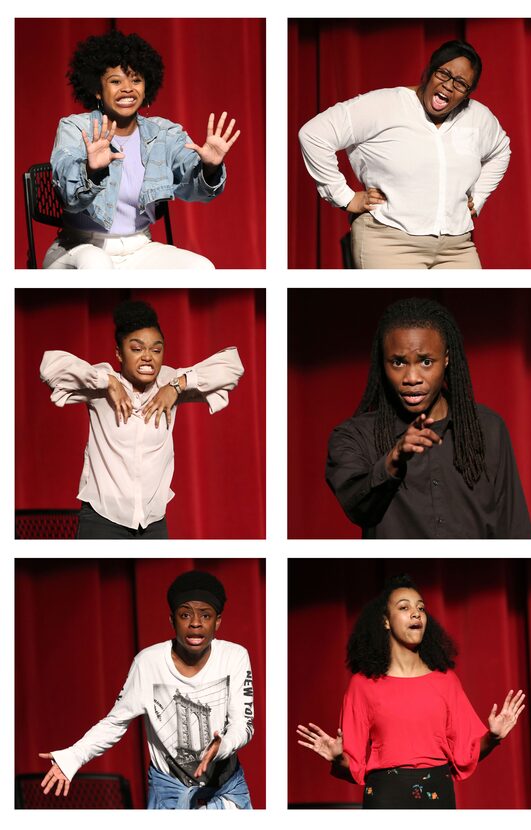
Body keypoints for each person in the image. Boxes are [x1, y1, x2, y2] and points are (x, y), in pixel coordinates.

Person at [296, 574, 525, 809]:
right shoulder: (362, 684)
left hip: (438, 796)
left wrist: (493, 737)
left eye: (421, 608)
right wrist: (338, 758)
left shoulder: (446, 681)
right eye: (404, 607)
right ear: (386, 621)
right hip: (385, 798)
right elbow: (352, 768)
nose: (416, 613)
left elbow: (467, 755)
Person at [39, 570, 255, 809]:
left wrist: (222, 746)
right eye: (185, 614)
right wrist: (72, 757)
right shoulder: (148, 663)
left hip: (225, 792)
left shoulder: (234, 657)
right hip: (168, 793)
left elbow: (243, 725)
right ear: (172, 620)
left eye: (205, 615)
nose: (195, 623)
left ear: (218, 621)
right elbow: (115, 723)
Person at [325, 296, 531, 538]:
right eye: (398, 362)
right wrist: (393, 460)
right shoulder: (354, 437)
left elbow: (515, 529)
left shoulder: (488, 428)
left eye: (425, 361)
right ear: (382, 363)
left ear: (446, 358)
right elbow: (359, 508)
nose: (412, 377)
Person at [39, 299, 244, 539]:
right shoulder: (100, 382)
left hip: (153, 525)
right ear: (119, 353)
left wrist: (177, 385)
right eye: (136, 349)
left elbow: (233, 366)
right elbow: (49, 367)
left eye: (156, 350)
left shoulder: (169, 380)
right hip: (102, 521)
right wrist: (108, 382)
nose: (148, 357)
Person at [298, 40, 510, 269]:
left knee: (472, 305)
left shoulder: (477, 117)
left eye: (461, 83)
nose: (449, 85)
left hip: (457, 246)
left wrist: (478, 198)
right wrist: (343, 197)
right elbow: (314, 134)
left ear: (468, 93)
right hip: (389, 241)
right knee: (403, 306)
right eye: (444, 74)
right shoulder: (384, 104)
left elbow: (501, 150)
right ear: (429, 71)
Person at [44, 29, 241, 269]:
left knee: (201, 268)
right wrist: (90, 169)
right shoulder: (76, 128)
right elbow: (68, 195)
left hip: (139, 246)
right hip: (79, 246)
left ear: (146, 87)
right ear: (97, 89)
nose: (127, 88)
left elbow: (194, 187)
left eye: (136, 80)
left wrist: (210, 168)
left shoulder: (164, 134)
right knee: (97, 264)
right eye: (115, 81)